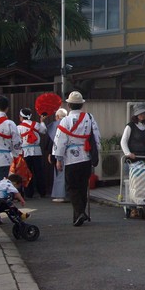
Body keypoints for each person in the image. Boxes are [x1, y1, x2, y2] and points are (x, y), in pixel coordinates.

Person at [53, 91, 101, 226]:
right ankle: (78, 217)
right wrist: (96, 153)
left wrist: (58, 158)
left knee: (72, 187)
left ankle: (79, 213)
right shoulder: (89, 117)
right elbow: (96, 136)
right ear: (81, 105)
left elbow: (60, 140)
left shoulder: (65, 120)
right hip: (86, 156)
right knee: (82, 187)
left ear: (68, 105)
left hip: (70, 159)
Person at [18, 107, 47, 198]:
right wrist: (42, 121)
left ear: (21, 117)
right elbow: (44, 131)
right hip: (37, 152)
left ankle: (28, 193)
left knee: (27, 173)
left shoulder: (18, 127)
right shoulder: (36, 124)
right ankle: (42, 192)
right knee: (39, 172)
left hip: (25, 152)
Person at [49, 108, 68, 202]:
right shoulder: (70, 122)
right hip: (72, 152)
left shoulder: (55, 125)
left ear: (57, 116)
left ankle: (60, 195)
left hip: (58, 151)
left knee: (60, 173)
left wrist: (50, 153)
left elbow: (53, 141)